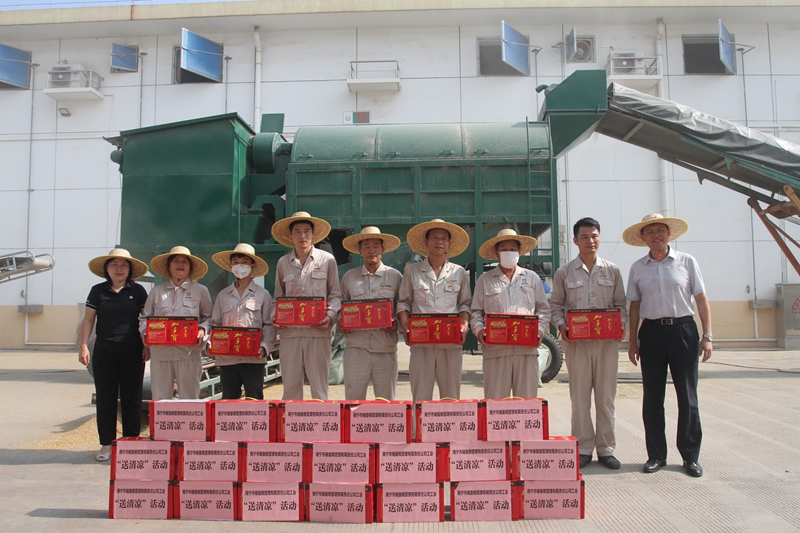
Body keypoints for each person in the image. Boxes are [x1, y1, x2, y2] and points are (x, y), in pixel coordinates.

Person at [624, 213, 713, 478]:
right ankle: (656, 455)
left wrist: (707, 335)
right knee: (652, 396)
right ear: (643, 238)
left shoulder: (687, 262)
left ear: (669, 234)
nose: (656, 235)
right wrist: (632, 341)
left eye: (660, 230)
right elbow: (634, 305)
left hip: (684, 330)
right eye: (650, 232)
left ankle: (690, 456)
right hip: (651, 333)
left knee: (688, 396)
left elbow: (701, 297)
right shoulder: (638, 267)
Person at [550, 218, 627, 470]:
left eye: (594, 236)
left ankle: (606, 449)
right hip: (577, 345)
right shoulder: (564, 272)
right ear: (575, 241)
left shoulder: (612, 271)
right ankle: (583, 448)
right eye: (584, 237)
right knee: (580, 397)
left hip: (606, 345)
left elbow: (621, 305)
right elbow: (556, 306)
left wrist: (621, 326)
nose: (590, 241)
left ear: (599, 238)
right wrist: (562, 326)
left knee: (606, 397)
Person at [78, 248, 149, 462]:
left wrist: (147, 345)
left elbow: (145, 321)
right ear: (106, 269)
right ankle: (106, 444)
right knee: (106, 399)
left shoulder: (138, 292)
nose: (119, 269)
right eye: (114, 265)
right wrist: (83, 345)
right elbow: (89, 320)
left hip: (133, 351)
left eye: (124, 265)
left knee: (132, 398)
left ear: (130, 269)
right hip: (104, 352)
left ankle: (130, 442)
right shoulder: (97, 291)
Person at [470, 228, 550, 400]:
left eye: (513, 248)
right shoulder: (485, 280)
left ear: (519, 252)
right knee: (496, 404)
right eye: (504, 249)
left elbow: (543, 309)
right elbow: (475, 312)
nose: (509, 252)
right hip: (496, 352)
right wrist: (479, 330)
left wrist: (540, 331)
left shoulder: (532, 278)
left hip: (526, 352)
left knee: (526, 404)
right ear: (496, 252)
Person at [397, 219, 471, 402]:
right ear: (426, 242)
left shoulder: (459, 272)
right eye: (435, 238)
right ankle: (419, 431)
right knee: (421, 397)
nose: (439, 242)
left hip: (450, 345)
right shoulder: (412, 272)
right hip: (421, 346)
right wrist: (406, 327)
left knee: (451, 396)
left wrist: (464, 326)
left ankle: (449, 431)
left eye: (444, 238)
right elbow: (403, 304)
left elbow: (465, 305)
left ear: (449, 244)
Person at [271, 211, 343, 400]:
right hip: (290, 334)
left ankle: (322, 428)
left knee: (319, 387)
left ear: (313, 234)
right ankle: (292, 427)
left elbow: (336, 295)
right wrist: (275, 316)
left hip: (318, 333)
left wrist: (331, 316)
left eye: (306, 231)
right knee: (291, 388)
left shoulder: (327, 260)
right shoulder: (282, 263)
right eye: (297, 232)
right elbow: (278, 297)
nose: (302, 236)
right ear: (290, 235)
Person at [140, 246, 212, 401]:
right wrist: (145, 331)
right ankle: (162, 426)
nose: (180, 264)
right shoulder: (157, 292)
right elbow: (145, 318)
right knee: (160, 399)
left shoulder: (200, 291)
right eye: (176, 261)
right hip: (161, 354)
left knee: (189, 398)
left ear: (190, 267)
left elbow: (209, 318)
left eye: (185, 261)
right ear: (169, 266)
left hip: (189, 353)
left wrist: (202, 330)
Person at [339, 227, 403, 400]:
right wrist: (342, 322)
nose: (371, 249)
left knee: (386, 402)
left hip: (385, 350)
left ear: (383, 249)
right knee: (353, 402)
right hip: (356, 350)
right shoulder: (349, 278)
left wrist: (396, 324)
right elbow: (340, 308)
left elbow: (403, 308)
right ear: (359, 250)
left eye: (376, 245)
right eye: (366, 246)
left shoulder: (395, 277)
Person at [209, 243, 275, 399]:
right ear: (231, 265)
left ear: (252, 266)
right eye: (236, 262)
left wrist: (264, 347)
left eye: (244, 262)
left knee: (254, 399)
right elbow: (215, 324)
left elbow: (269, 324)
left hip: (253, 358)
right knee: (229, 399)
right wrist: (211, 344)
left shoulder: (263, 295)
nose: (240, 266)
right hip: (227, 359)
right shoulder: (223, 295)